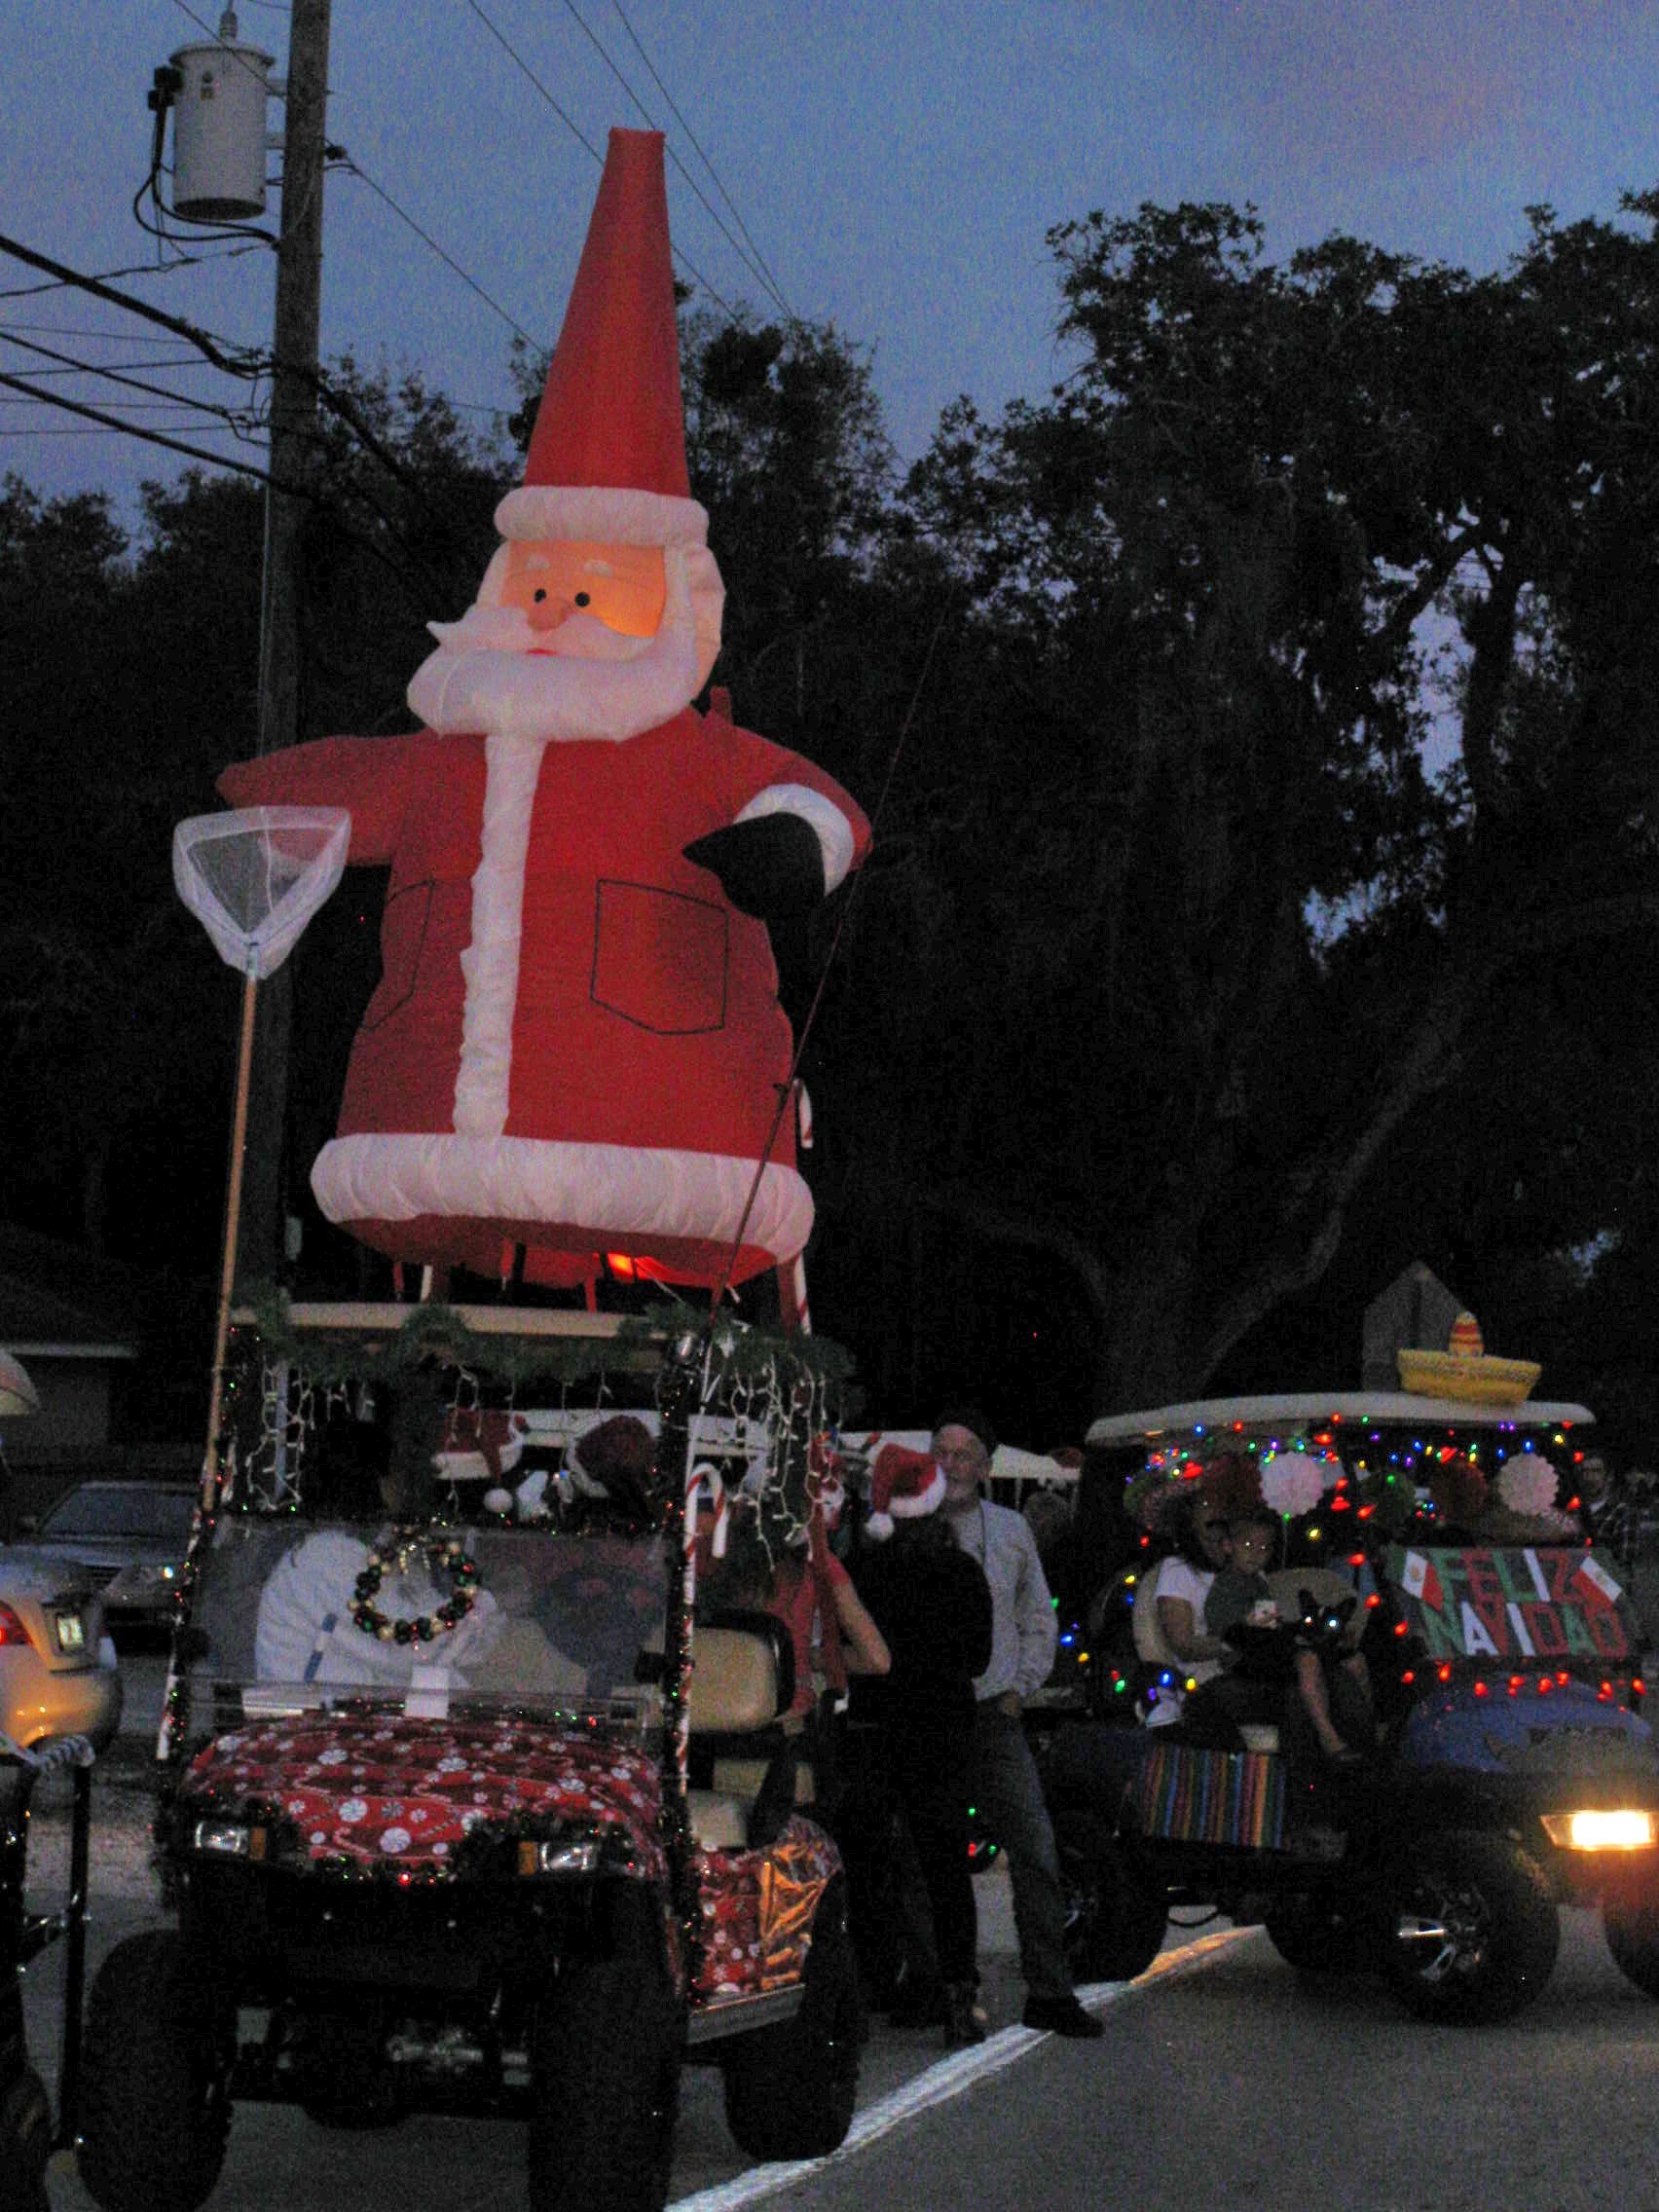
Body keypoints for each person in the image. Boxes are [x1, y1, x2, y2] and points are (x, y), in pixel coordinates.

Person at [216, 129, 870, 1300]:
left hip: (662, 1119)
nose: (562, 607)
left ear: (668, 607)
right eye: (540, 583)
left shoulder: (701, 755)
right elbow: (322, 788)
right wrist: (247, 818)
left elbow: (817, 803)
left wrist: (789, 847)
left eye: (597, 588)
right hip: (426, 1119)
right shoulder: (440, 757)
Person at [936, 1410, 1104, 2041]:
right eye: (942, 1451)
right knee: (932, 1854)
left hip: (991, 1715)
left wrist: (1021, 1685)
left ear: (984, 1465)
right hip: (932, 1716)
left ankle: (1051, 1991)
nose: (952, 1463)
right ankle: (939, 1992)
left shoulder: (1007, 1532)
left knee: (1034, 1847)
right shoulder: (907, 1527)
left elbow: (1039, 1614)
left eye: (964, 1453)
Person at [841, 1443, 993, 2047]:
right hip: (941, 1733)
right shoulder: (962, 1574)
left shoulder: (864, 1571)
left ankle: (880, 1983)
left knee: (871, 1862)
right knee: (945, 1868)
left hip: (876, 1732)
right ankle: (958, 1992)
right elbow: (978, 1657)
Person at [1204, 1511, 1366, 1765]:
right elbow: (1222, 1623)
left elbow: (1269, 1622)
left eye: (1264, 1548)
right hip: (1245, 1656)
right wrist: (1248, 1620)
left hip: (1267, 1647)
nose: (1256, 1553)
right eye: (1248, 1545)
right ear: (1229, 1546)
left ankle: (1366, 1735)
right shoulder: (1226, 1584)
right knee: (1308, 1660)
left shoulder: (1258, 1582)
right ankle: (1329, 1738)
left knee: (1349, 1661)